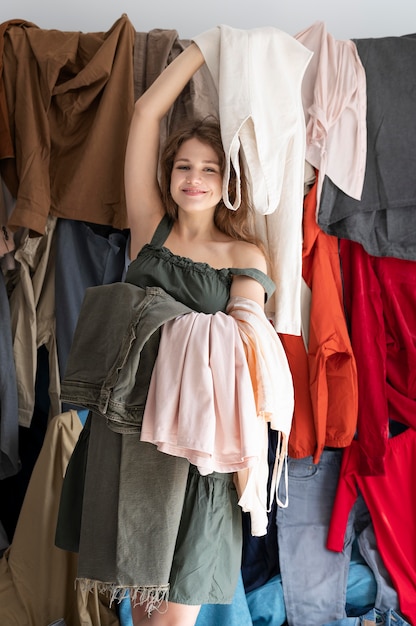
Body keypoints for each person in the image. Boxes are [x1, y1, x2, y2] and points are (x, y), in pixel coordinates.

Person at [122, 41, 275, 625]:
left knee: (174, 618)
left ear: (225, 180)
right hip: (136, 438)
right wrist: (202, 48)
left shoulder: (244, 252)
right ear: (169, 174)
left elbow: (246, 344)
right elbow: (143, 116)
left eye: (209, 169)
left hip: (204, 454)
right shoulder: (148, 229)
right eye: (184, 166)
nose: (194, 178)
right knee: (142, 613)